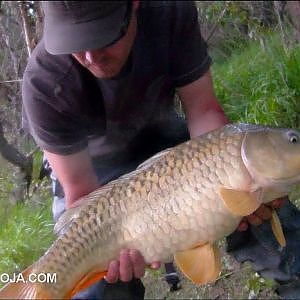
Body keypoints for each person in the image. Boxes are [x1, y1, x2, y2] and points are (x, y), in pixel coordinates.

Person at [22, 1, 293, 299]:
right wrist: (112, 245)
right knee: (96, 278)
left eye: (103, 36)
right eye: (76, 42)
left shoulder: (169, 10)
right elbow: (80, 194)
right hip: (94, 169)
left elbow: (203, 111)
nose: (90, 56)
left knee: (257, 200)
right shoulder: (43, 82)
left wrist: (232, 172)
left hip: (165, 139)